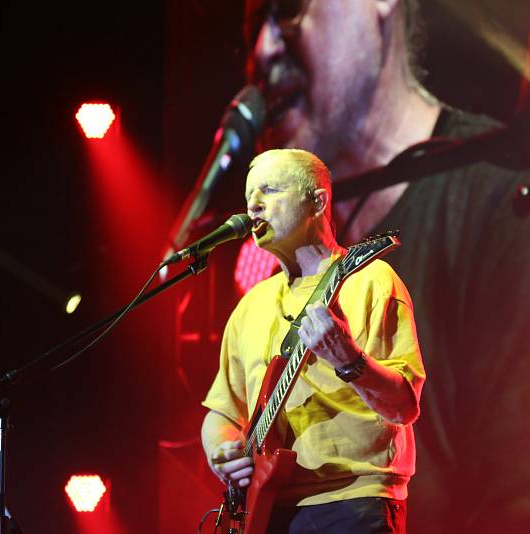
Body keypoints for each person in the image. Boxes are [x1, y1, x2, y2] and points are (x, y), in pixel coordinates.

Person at [237, 0, 530, 531]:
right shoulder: (278, 265)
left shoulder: (503, 204)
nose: (262, 49)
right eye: (251, 25)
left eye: (286, 10)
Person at [202, 148, 425, 533]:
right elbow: (222, 412)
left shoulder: (371, 281)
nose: (252, 206)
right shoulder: (250, 306)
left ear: (317, 201)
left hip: (352, 500)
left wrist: (349, 361)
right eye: (248, 197)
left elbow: (404, 406)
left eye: (269, 191)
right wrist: (220, 452)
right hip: (266, 509)